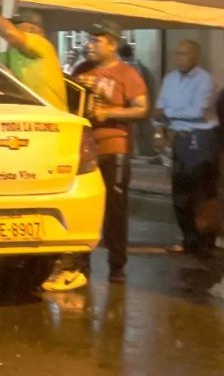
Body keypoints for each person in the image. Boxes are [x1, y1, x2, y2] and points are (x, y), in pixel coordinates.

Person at [63, 19, 149, 286]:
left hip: (115, 148)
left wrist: (108, 112)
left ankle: (116, 265)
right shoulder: (82, 69)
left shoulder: (127, 74)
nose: (90, 44)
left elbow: (142, 108)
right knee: (83, 205)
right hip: (86, 149)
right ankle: (81, 263)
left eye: (96, 40)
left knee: (115, 207)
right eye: (89, 39)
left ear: (112, 44)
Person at [155, 39, 218, 255]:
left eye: (185, 54)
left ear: (196, 57)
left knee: (201, 193)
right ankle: (188, 239)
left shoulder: (205, 79)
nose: (180, 58)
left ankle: (205, 242)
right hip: (179, 138)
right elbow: (160, 108)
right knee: (180, 193)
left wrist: (171, 113)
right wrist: (159, 130)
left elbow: (197, 111)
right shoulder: (170, 79)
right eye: (178, 54)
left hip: (201, 139)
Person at [0, 0, 68, 110]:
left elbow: (10, 34)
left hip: (53, 118)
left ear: (32, 29)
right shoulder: (14, 53)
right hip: (33, 118)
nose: (12, 27)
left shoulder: (43, 45)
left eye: (17, 25)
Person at [120, 42, 158, 158]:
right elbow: (151, 86)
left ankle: (134, 153)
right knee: (143, 134)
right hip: (143, 105)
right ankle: (145, 152)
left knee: (132, 134)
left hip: (129, 108)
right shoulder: (141, 67)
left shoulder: (123, 68)